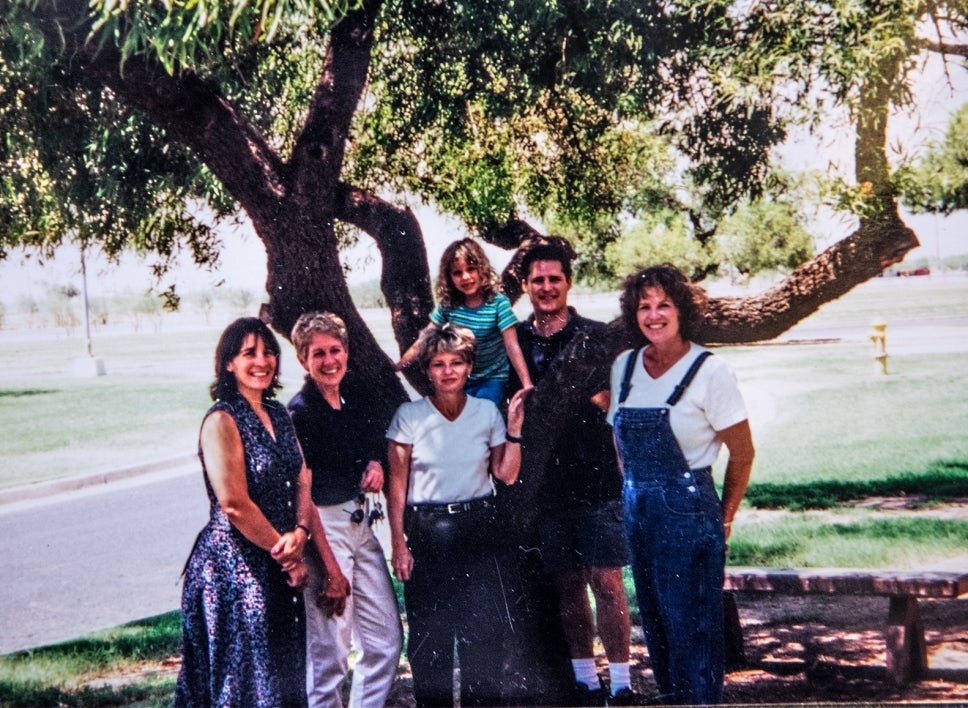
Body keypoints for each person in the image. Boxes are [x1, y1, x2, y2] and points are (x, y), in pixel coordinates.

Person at [176, 317, 346, 708]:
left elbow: (303, 477)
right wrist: (288, 557)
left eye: (268, 351)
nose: (262, 360)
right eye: (248, 352)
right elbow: (234, 503)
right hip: (235, 570)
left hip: (280, 558)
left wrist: (301, 530)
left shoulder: (280, 414)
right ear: (228, 363)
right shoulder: (222, 419)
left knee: (284, 675)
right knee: (244, 683)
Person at [606, 265, 755, 705]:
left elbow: (743, 453)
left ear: (681, 310)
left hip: (689, 512)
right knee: (656, 625)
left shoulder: (711, 371)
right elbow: (619, 439)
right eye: (644, 307)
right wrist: (636, 490)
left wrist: (723, 519)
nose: (653, 316)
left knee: (691, 626)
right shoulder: (625, 367)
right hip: (638, 508)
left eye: (663, 305)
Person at [507, 240, 637, 706]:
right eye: (537, 280)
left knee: (607, 581)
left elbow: (614, 406)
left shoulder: (597, 337)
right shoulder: (515, 342)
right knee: (567, 585)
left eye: (554, 279)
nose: (546, 288)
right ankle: (585, 680)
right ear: (525, 286)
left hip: (598, 480)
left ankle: (622, 682)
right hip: (544, 487)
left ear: (568, 283)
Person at [386, 323, 528, 707]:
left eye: (456, 363)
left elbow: (506, 474)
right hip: (428, 532)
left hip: (479, 530)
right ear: (427, 370)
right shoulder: (408, 416)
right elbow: (396, 487)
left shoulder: (486, 413)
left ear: (469, 367)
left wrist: (513, 429)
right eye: (437, 364)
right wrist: (399, 543)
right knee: (430, 639)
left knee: (483, 635)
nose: (447, 371)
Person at [288, 311, 403, 708]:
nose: (329, 360)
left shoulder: (354, 398)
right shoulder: (300, 412)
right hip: (325, 529)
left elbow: (373, 440)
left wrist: (375, 462)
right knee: (331, 653)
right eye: (317, 353)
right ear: (304, 360)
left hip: (361, 522)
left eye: (335, 350)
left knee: (385, 641)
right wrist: (331, 570)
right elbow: (304, 495)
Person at [395, 238, 532, 405]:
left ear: (482, 269)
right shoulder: (449, 305)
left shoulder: (498, 303)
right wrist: (399, 365)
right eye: (457, 273)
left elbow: (512, 346)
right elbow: (424, 339)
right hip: (460, 377)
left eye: (471, 269)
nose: (465, 277)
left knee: (482, 413)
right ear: (449, 277)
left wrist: (526, 384)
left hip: (492, 379)